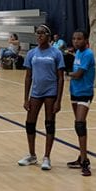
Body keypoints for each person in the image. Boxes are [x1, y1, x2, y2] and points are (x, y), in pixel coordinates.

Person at [17, 24, 64, 171]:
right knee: (30, 123)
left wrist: (59, 100)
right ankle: (32, 155)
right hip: (36, 92)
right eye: (37, 33)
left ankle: (47, 157)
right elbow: (28, 77)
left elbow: (61, 78)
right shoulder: (32, 53)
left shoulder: (56, 53)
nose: (39, 36)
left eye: (42, 33)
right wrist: (26, 98)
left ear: (48, 36)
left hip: (51, 92)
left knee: (49, 123)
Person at [66, 30, 95, 176]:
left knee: (80, 124)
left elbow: (78, 74)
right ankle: (81, 156)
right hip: (75, 92)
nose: (76, 41)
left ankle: (85, 162)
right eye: (74, 38)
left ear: (85, 40)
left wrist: (64, 73)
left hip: (85, 92)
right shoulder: (77, 53)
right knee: (78, 126)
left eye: (79, 39)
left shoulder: (88, 54)